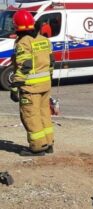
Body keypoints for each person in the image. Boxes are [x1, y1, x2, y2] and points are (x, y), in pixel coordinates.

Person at [9, 10, 54, 155]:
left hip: (30, 88)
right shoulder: (44, 40)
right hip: (45, 85)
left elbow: (24, 66)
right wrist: (48, 79)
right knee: (44, 114)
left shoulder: (23, 42)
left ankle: (37, 147)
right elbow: (51, 62)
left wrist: (15, 87)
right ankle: (48, 143)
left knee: (30, 116)